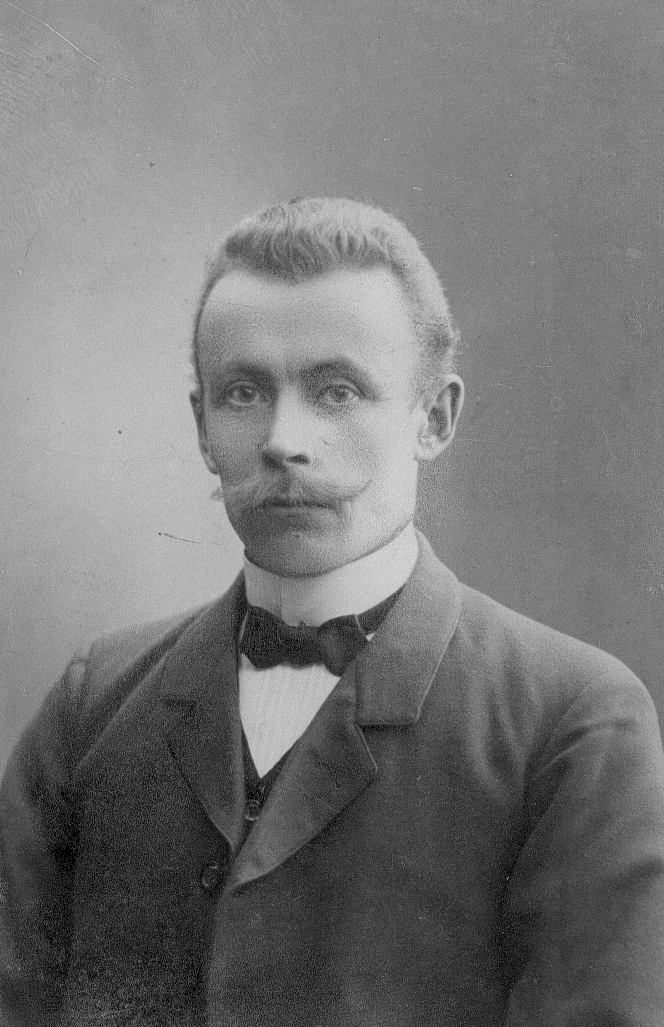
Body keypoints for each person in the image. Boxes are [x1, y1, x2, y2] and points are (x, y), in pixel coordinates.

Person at [1, 197, 664, 1027]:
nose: (284, 439)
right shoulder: (94, 703)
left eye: (337, 391)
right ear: (202, 426)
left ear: (434, 418)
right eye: (244, 392)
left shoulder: (572, 721)